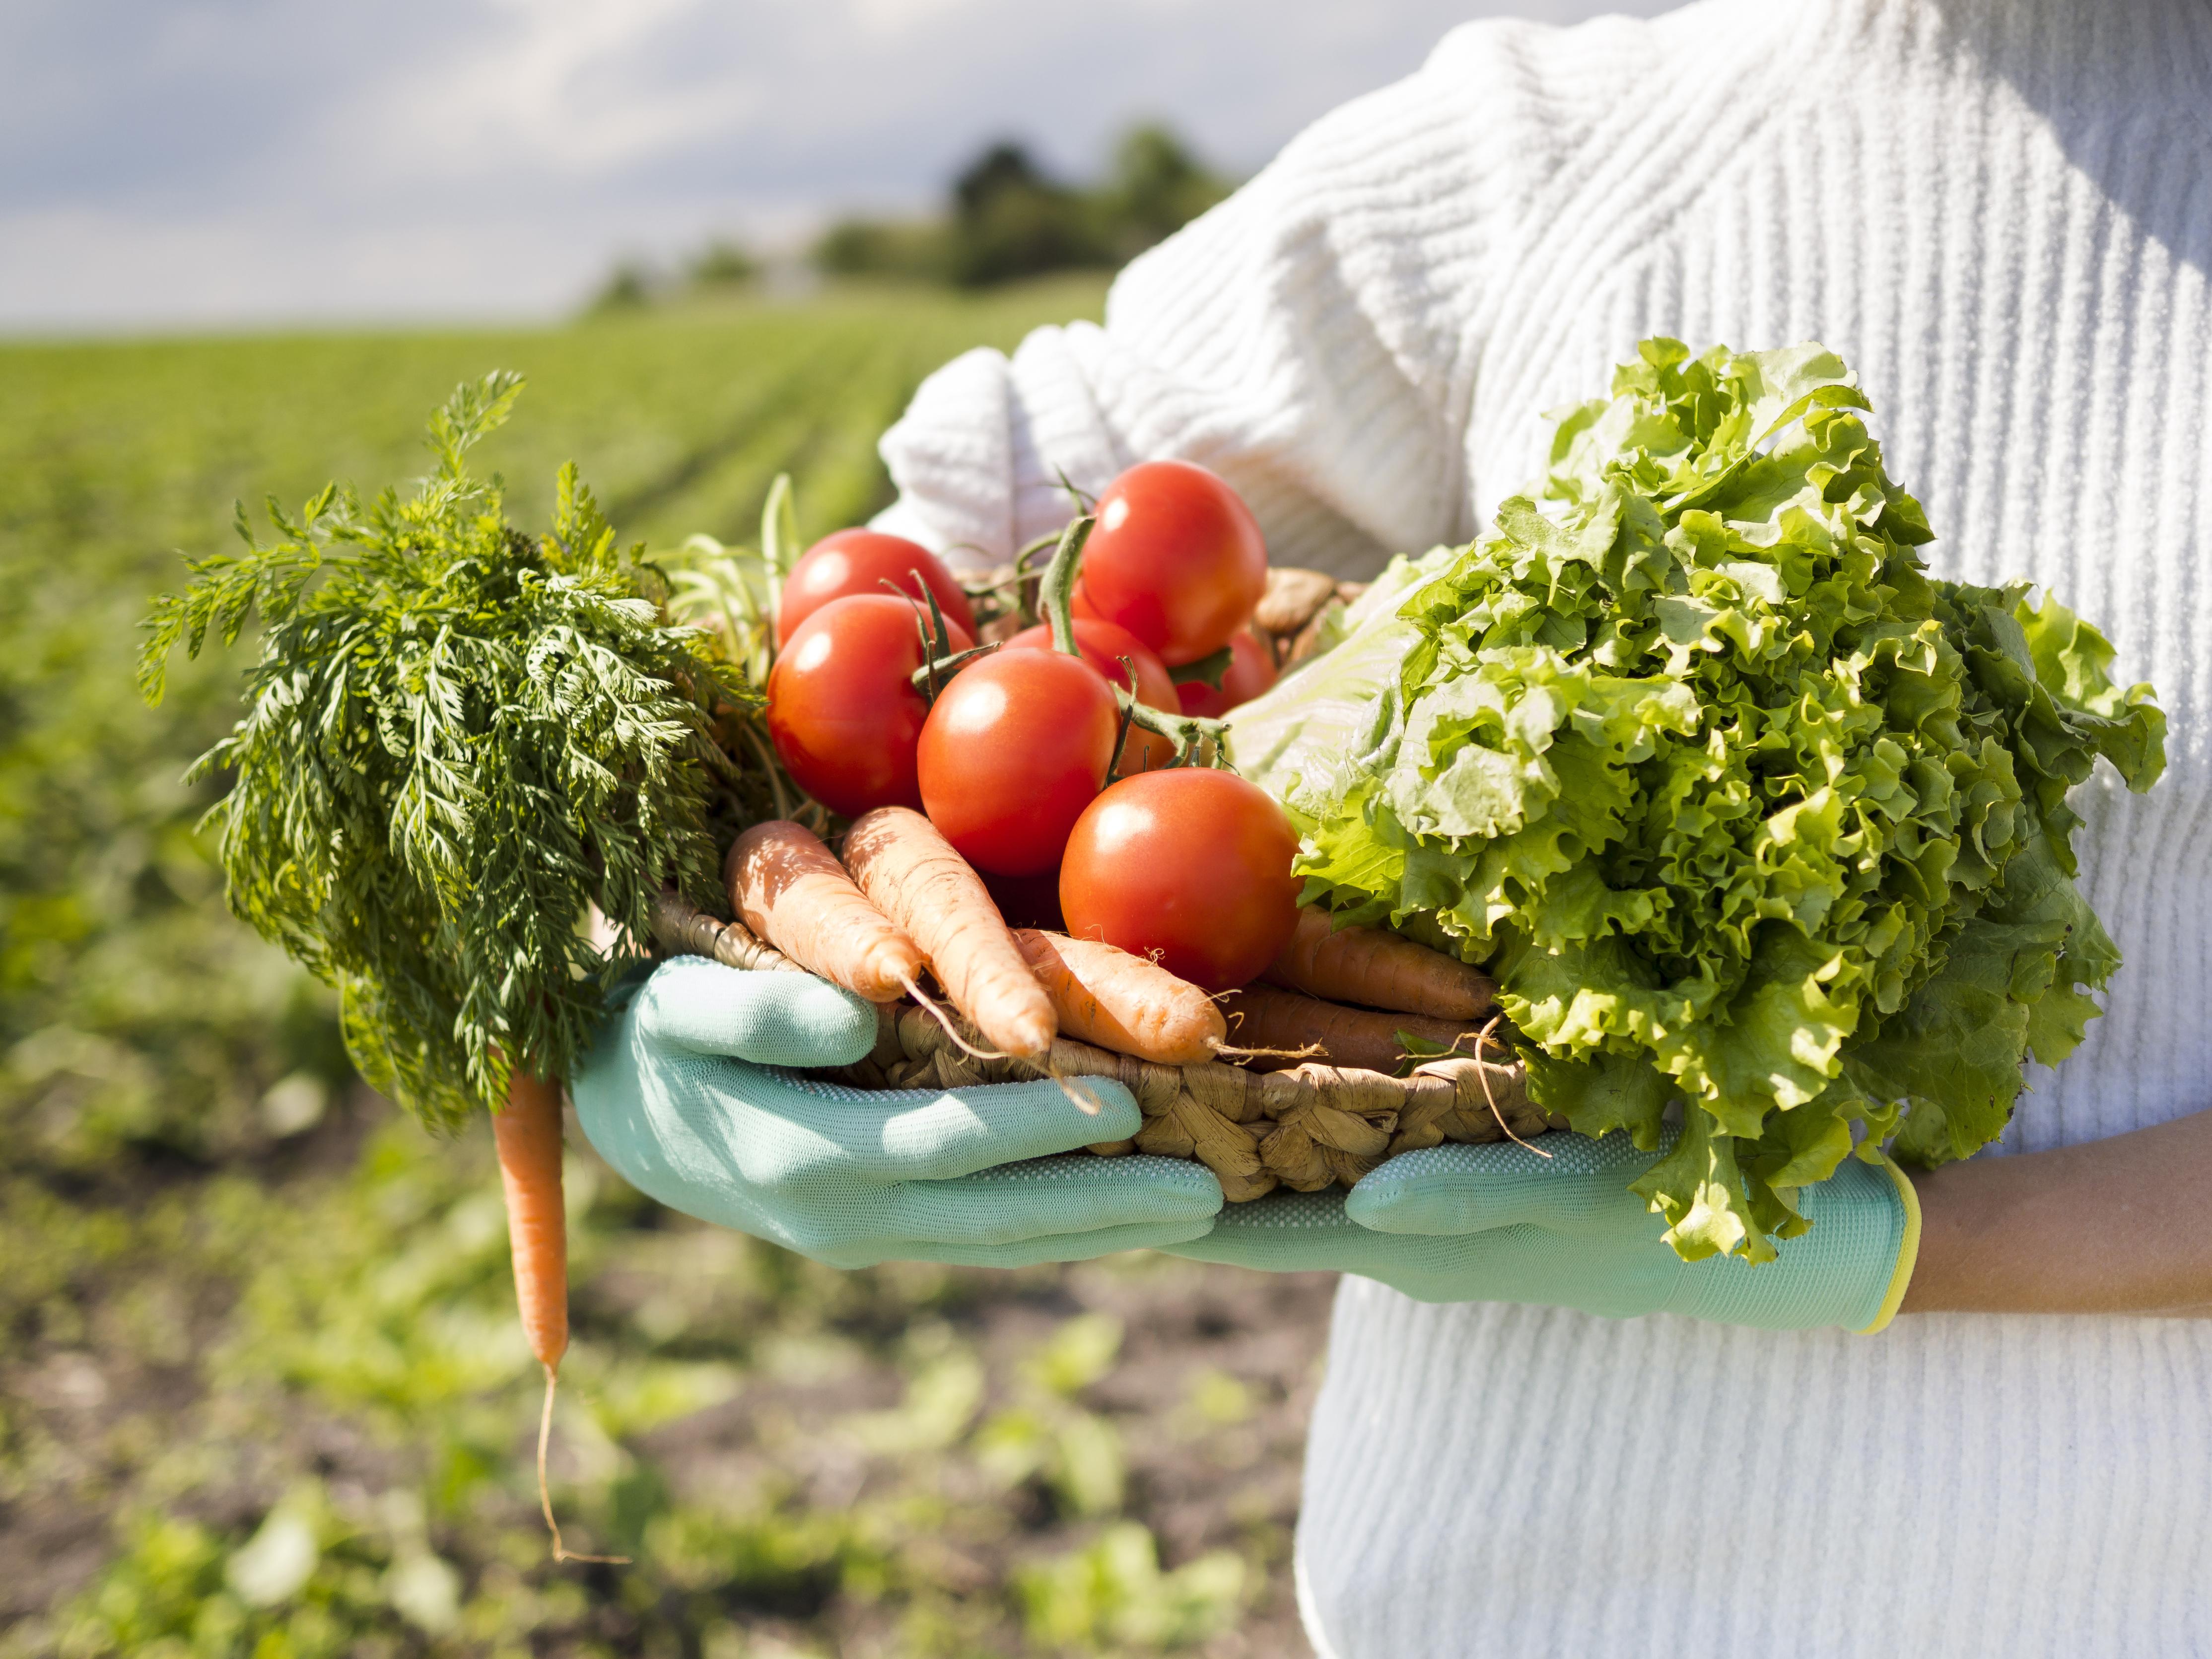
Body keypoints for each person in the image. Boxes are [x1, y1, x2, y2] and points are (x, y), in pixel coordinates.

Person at [574, 0, 2212, 1651]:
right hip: (1498, 1603)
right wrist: (618, 964)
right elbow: (888, 606)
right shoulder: (1541, 154)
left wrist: (1878, 1245)